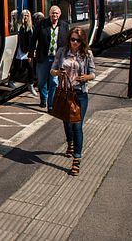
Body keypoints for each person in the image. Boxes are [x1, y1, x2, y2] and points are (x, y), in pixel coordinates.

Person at [50, 27, 95, 176]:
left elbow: (93, 73)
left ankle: (76, 160)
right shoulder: (62, 52)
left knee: (77, 126)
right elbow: (52, 70)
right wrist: (58, 73)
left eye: (77, 40)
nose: (74, 42)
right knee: (66, 122)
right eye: (72, 39)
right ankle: (70, 143)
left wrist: (85, 77)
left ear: (82, 41)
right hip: (65, 93)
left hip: (80, 93)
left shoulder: (87, 54)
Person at [30, 5, 69, 110]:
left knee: (54, 82)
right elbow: (33, 40)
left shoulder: (64, 26)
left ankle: (51, 104)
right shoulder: (42, 24)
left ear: (59, 14)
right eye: (53, 13)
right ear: (49, 14)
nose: (54, 15)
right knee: (42, 81)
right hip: (43, 58)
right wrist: (30, 54)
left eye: (56, 13)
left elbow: (67, 42)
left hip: (57, 59)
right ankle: (43, 99)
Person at [8, 9, 37, 95]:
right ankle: (11, 80)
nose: (26, 17)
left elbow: (33, 40)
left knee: (30, 68)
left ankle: (30, 84)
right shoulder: (19, 26)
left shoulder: (31, 27)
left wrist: (32, 51)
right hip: (19, 50)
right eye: (24, 15)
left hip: (28, 51)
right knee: (17, 66)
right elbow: (12, 29)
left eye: (27, 16)